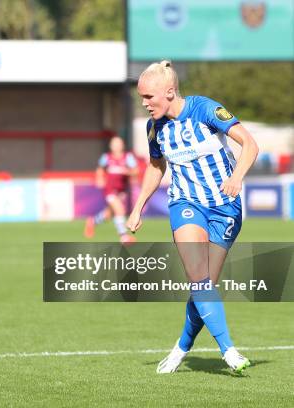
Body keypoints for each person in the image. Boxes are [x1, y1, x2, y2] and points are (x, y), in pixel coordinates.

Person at [127, 60, 258, 374]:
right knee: (199, 276)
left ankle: (181, 346)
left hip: (225, 207)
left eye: (149, 97)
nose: (144, 104)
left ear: (169, 92)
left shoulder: (204, 110)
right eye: (141, 98)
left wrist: (237, 177)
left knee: (205, 287)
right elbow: (157, 167)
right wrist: (138, 206)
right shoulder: (154, 128)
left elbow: (249, 144)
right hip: (185, 204)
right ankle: (229, 351)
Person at [84, 136, 138, 243]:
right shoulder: (106, 157)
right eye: (114, 144)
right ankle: (124, 237)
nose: (116, 146)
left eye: (118, 144)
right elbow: (100, 168)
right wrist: (99, 179)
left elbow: (135, 171)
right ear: (111, 146)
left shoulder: (128, 157)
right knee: (120, 210)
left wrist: (127, 172)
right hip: (109, 189)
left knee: (108, 214)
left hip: (122, 190)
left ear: (122, 146)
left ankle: (92, 221)